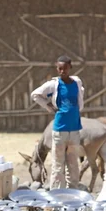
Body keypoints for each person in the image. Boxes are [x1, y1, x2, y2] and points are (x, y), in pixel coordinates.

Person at [31, 55, 84, 190]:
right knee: (57, 165)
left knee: (73, 164)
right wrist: (49, 106)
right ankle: (56, 195)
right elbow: (35, 95)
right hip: (60, 130)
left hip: (74, 130)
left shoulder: (76, 83)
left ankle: (73, 193)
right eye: (59, 69)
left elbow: (80, 100)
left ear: (70, 68)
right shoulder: (54, 84)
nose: (62, 71)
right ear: (57, 69)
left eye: (65, 68)